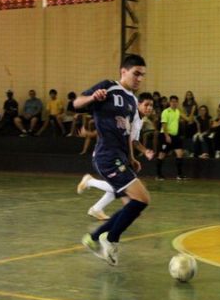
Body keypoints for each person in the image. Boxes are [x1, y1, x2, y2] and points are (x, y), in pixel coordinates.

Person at [76, 54, 150, 266]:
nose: (139, 79)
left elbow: (126, 133)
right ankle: (109, 238)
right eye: (136, 73)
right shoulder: (108, 87)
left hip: (119, 157)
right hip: (106, 156)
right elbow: (77, 102)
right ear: (123, 71)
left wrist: (131, 157)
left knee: (135, 205)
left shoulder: (132, 101)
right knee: (141, 200)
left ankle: (95, 237)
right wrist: (92, 98)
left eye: (142, 76)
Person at [77, 93, 155, 221]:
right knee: (124, 185)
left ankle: (96, 209)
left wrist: (144, 151)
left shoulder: (140, 120)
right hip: (108, 155)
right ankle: (90, 182)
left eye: (152, 105)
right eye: (147, 105)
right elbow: (111, 129)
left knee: (121, 185)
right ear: (138, 104)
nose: (150, 108)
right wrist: (90, 134)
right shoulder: (129, 115)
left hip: (120, 155)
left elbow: (133, 140)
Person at [156, 95, 186, 180]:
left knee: (180, 153)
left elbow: (188, 119)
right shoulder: (166, 111)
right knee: (162, 154)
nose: (174, 103)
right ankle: (158, 175)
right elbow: (164, 124)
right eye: (172, 101)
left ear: (177, 103)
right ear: (170, 102)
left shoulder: (177, 111)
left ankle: (179, 175)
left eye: (176, 101)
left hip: (175, 136)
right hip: (165, 135)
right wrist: (166, 136)